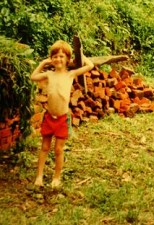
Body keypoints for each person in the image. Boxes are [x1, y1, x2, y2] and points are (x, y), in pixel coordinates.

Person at [31, 40, 94, 188]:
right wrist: (42, 63)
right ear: (51, 59)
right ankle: (39, 176)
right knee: (44, 147)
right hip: (48, 117)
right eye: (55, 56)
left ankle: (56, 177)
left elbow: (90, 66)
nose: (58, 59)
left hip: (62, 119)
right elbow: (33, 77)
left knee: (58, 149)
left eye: (61, 56)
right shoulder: (48, 74)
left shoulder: (71, 74)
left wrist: (81, 55)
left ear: (67, 59)